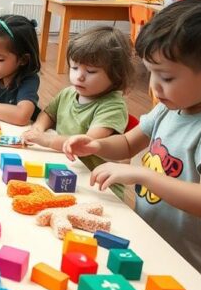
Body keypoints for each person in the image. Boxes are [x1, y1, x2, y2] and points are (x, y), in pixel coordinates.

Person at [64, 0, 201, 290]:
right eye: (151, 73)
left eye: (166, 77)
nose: (155, 87)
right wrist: (96, 144)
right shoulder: (172, 107)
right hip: (159, 249)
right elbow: (127, 143)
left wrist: (141, 174)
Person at [22, 26, 133, 187]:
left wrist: (45, 139)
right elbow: (48, 114)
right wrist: (38, 128)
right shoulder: (68, 93)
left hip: (94, 183)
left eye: (91, 71)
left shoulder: (113, 106)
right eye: (74, 68)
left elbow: (85, 143)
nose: (79, 76)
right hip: (65, 167)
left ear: (116, 75)